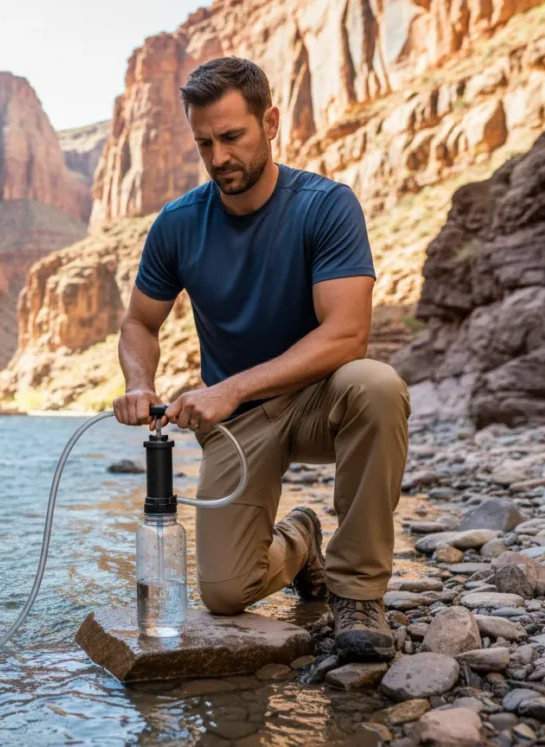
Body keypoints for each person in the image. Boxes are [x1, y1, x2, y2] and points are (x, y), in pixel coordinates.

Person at [111, 57, 410, 661]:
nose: (219, 156)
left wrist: (232, 389)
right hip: (241, 423)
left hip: (322, 396)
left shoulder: (325, 206)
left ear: (270, 122)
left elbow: (348, 335)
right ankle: (302, 539)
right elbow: (140, 321)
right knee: (226, 592)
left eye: (231, 137)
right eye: (204, 143)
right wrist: (139, 382)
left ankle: (357, 593)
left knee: (377, 385)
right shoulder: (177, 225)